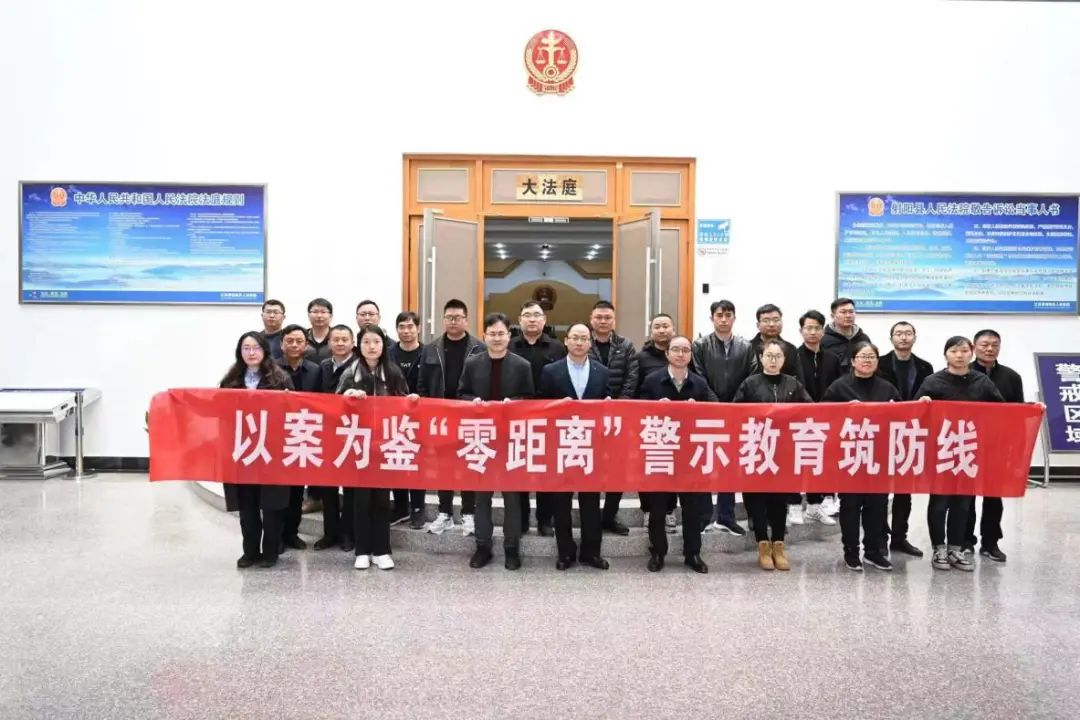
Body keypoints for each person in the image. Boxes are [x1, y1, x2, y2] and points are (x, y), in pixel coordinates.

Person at [916, 336, 1004, 572]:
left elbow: (1003, 410)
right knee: (939, 503)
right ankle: (939, 549)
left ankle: (956, 548)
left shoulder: (982, 381)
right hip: (941, 450)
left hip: (969, 450)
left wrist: (1032, 409)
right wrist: (923, 403)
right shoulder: (933, 381)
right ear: (946, 354)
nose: (959, 355)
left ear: (971, 353)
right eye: (954, 351)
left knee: (963, 504)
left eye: (964, 351)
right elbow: (915, 414)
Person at [459, 313, 535, 571]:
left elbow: (530, 399)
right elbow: (461, 394)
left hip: (510, 439)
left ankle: (511, 548)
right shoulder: (472, 364)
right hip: (481, 438)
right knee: (482, 497)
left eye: (501, 333)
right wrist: (472, 402)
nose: (497, 338)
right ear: (484, 336)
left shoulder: (522, 365)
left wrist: (514, 404)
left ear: (509, 336)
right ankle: (483, 546)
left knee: (512, 498)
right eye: (492, 334)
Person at [337, 324, 413, 570]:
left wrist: (411, 401)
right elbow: (334, 406)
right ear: (359, 345)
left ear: (383, 345)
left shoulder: (393, 372)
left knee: (381, 499)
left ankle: (382, 550)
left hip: (384, 444)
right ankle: (361, 550)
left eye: (377, 342)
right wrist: (348, 397)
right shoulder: (350, 373)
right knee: (360, 501)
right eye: (367, 342)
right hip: (358, 444)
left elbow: (403, 402)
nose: (372, 347)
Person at [636, 335, 714, 574]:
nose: (681, 354)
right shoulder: (652, 380)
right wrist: (655, 407)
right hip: (660, 451)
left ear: (691, 355)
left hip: (690, 454)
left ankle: (693, 553)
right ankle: (658, 551)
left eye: (685, 350)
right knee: (658, 507)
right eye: (676, 350)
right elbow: (637, 412)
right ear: (667, 353)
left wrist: (698, 410)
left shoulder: (699, 383)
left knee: (692, 507)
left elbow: (715, 411)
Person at [733, 339, 812, 571]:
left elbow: (809, 410)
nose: (773, 360)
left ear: (784, 360)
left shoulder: (793, 384)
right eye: (769, 356)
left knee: (779, 499)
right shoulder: (750, 383)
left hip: (784, 451)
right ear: (761, 358)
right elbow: (735, 413)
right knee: (756, 498)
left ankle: (778, 544)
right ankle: (762, 544)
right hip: (756, 449)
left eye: (778, 356)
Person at [539, 323, 612, 570]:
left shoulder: (603, 372)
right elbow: (540, 405)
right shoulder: (551, 371)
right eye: (575, 338)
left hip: (592, 446)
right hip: (561, 445)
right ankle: (566, 552)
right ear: (566, 341)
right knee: (561, 502)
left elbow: (608, 405)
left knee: (591, 501)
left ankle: (591, 552)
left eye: (584, 338)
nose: (579, 342)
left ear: (590, 343)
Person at [822, 341, 900, 571]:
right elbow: (823, 416)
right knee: (850, 506)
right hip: (849, 456)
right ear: (853, 361)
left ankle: (873, 551)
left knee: (877, 506)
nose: (867, 361)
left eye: (871, 357)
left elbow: (903, 418)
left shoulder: (887, 388)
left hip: (878, 457)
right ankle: (851, 551)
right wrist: (844, 410)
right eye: (862, 356)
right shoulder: (839, 387)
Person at [219, 331, 292, 568]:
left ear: (265, 351)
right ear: (239, 352)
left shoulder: (280, 379)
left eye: (256, 348)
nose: (251, 353)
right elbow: (221, 415)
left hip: (272, 451)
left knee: (272, 505)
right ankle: (249, 551)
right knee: (247, 506)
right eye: (246, 348)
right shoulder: (230, 381)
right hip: (242, 452)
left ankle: (270, 551)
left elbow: (292, 414)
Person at [417, 299, 485, 535]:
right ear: (443, 319)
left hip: (469, 416)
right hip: (441, 418)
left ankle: (468, 514)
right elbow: (422, 384)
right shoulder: (431, 348)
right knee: (443, 466)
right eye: (449, 317)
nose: (453, 321)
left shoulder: (479, 348)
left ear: (466, 320)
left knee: (468, 465)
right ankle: (444, 513)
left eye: (457, 317)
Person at [692, 300, 756, 536]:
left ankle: (726, 516)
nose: (723, 319)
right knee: (705, 463)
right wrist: (716, 404)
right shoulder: (699, 345)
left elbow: (751, 376)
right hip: (707, 413)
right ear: (712, 318)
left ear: (734, 318)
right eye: (719, 315)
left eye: (728, 315)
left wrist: (734, 405)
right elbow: (698, 375)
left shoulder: (746, 346)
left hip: (736, 414)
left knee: (729, 465)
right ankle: (704, 516)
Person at [876, 321, 934, 558]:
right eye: (898, 334)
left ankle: (900, 538)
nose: (903, 337)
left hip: (911, 433)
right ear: (891, 338)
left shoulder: (925, 367)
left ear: (914, 337)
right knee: (880, 491)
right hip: (882, 432)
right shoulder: (879, 363)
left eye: (908, 333)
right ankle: (879, 537)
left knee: (904, 491)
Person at [509, 300, 567, 537]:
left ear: (544, 320)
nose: (532, 319)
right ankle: (522, 519)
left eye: (536, 315)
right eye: (527, 315)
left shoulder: (557, 348)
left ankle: (545, 519)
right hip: (516, 419)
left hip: (549, 420)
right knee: (519, 470)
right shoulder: (510, 345)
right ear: (520, 320)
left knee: (546, 472)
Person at [966, 329, 1024, 563]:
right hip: (967, 443)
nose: (989, 349)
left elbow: (1018, 413)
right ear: (974, 347)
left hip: (998, 445)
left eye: (994, 345)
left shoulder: (1011, 377)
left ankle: (990, 543)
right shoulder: (963, 373)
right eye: (984, 344)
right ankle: (965, 541)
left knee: (993, 496)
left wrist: (1016, 447)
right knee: (965, 496)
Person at [587, 300, 638, 536]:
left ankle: (609, 515)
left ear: (614, 321)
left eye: (607, 317)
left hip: (619, 417)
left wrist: (618, 406)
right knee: (591, 467)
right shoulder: (583, 342)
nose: (603, 321)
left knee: (617, 469)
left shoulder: (626, 346)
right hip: (590, 417)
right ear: (591, 319)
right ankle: (591, 515)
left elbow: (632, 377)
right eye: (599, 317)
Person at [313, 324, 359, 552]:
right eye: (336, 339)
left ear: (352, 343)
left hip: (351, 432)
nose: (340, 343)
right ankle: (329, 532)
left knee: (350, 486)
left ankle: (347, 533)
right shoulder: (322, 367)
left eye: (344, 339)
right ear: (329, 343)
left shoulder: (360, 366)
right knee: (327, 486)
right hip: (326, 432)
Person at [633, 314, 680, 535]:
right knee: (648, 468)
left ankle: (669, 510)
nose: (662, 330)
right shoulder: (641, 357)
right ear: (651, 331)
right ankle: (648, 510)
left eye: (665, 326)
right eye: (657, 326)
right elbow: (635, 387)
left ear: (673, 329)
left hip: (677, 425)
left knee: (672, 468)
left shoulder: (682, 354)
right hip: (649, 424)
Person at [795, 309, 843, 524]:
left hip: (826, 418)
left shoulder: (833, 359)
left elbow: (839, 387)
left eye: (817, 328)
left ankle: (816, 505)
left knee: (823, 461)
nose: (813, 332)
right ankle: (795, 505)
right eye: (808, 328)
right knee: (800, 461)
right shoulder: (793, 356)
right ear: (801, 331)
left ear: (823, 331)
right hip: (799, 418)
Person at [278, 324, 321, 552]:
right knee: (277, 491)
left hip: (304, 435)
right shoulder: (271, 368)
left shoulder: (315, 370)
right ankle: (275, 535)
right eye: (290, 341)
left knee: (297, 491)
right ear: (282, 344)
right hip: (277, 437)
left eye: (299, 341)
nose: (294, 345)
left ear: (306, 345)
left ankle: (292, 533)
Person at [388, 311, 427, 530]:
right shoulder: (389, 354)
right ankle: (401, 507)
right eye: (402, 327)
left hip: (421, 417)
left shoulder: (428, 353)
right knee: (398, 460)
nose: (406, 331)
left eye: (410, 326)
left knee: (418, 464)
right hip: (394, 418)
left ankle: (418, 509)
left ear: (418, 328)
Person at [749, 304, 803, 382]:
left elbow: (798, 382)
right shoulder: (748, 349)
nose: (772, 324)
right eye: (766, 320)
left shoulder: (791, 349)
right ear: (758, 325)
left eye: (776, 320)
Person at [820, 297, 871, 372]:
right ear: (832, 316)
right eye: (843, 312)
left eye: (851, 312)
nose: (848, 315)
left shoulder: (863, 338)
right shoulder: (823, 339)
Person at [303, 298, 334, 363]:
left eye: (323, 312)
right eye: (315, 312)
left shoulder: (337, 337)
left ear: (331, 316)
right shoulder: (302, 337)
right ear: (308, 315)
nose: (319, 316)